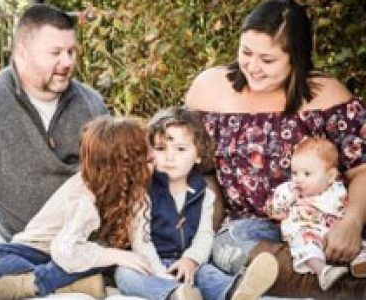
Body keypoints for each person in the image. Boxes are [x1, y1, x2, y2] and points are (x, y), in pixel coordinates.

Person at [185, 0, 366, 297]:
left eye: (268, 60)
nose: (253, 67)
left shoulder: (327, 96)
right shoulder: (209, 88)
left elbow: (362, 169)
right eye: (246, 52)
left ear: (295, 58)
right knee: (224, 248)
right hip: (248, 228)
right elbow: (194, 165)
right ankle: (338, 287)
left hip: (321, 217)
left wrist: (352, 222)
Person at [0, 4, 108, 241]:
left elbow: (116, 173)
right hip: (26, 246)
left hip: (89, 241)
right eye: (55, 53)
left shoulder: (91, 102)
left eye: (71, 52)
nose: (67, 62)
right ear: (22, 53)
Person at [0, 115, 155, 299]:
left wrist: (163, 276)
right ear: (119, 164)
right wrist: (116, 255)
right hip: (39, 250)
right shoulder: (84, 195)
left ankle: (40, 282)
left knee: (102, 259)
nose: (154, 157)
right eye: (146, 158)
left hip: (78, 252)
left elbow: (143, 245)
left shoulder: (136, 194)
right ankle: (66, 284)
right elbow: (65, 251)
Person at [115, 106, 279, 300]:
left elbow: (204, 235)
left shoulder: (204, 194)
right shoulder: (144, 191)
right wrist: (161, 274)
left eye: (181, 149)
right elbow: (141, 240)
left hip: (187, 263)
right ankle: (175, 294)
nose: (169, 157)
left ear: (198, 154)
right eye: (160, 149)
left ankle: (235, 291)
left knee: (208, 275)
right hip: (150, 263)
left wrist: (191, 260)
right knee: (125, 274)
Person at [266, 137, 366, 291]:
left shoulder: (337, 190)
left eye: (307, 174)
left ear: (330, 176)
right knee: (306, 247)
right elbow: (275, 212)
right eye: (294, 173)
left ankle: (360, 263)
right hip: (306, 230)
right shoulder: (289, 191)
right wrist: (287, 195)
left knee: (358, 243)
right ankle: (324, 272)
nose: (298, 179)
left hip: (334, 232)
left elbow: (344, 209)